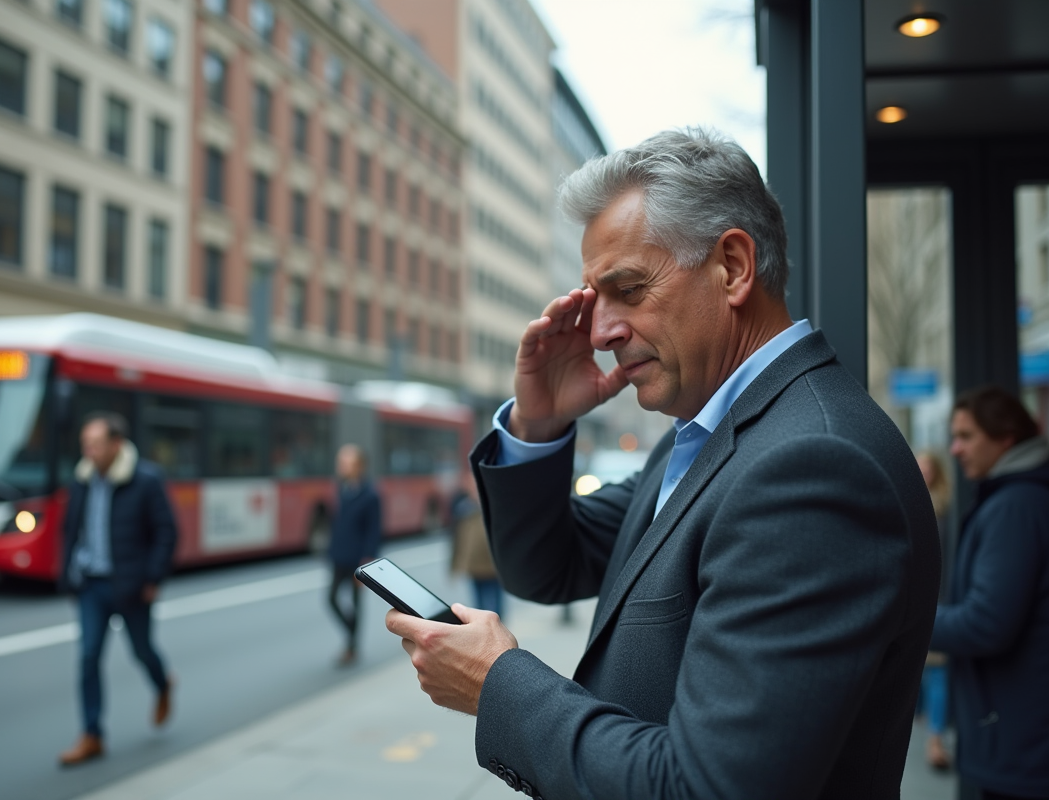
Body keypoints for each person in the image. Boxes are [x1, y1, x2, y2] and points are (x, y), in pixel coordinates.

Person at [382, 128, 941, 799]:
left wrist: (499, 685)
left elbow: (708, 788)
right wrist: (539, 424)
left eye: (628, 289)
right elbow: (547, 564)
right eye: (594, 300)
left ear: (733, 266)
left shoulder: (810, 468)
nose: (600, 332)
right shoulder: (716, 434)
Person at [931, 387, 1049, 800]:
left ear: (1006, 438)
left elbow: (986, 624)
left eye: (967, 436)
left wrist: (904, 616)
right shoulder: (1019, 500)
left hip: (1021, 743)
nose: (955, 449)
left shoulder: (1014, 508)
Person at [58, 412, 178, 767]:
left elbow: (166, 532)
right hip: (92, 585)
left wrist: (153, 578)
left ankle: (163, 684)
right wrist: (68, 575)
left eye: (95, 444)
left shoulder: (146, 480)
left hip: (131, 586)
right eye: (85, 445)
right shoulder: (81, 480)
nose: (89, 451)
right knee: (88, 656)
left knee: (142, 652)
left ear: (116, 445)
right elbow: (70, 530)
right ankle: (92, 734)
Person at [915, 450, 953, 771]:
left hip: (942, 602)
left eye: (928, 467)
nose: (924, 472)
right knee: (925, 671)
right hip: (917, 600)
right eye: (919, 466)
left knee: (938, 672)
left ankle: (935, 739)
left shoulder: (946, 510)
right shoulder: (907, 501)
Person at [326, 444, 381, 667]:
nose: (341, 466)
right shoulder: (341, 489)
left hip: (358, 559)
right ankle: (352, 631)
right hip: (339, 556)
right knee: (331, 598)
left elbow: (374, 530)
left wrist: (368, 558)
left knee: (357, 603)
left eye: (345, 462)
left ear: (358, 466)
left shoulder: (370, 495)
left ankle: (352, 646)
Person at [450, 473, 503, 617]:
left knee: (495, 605)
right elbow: (457, 540)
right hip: (473, 566)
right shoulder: (462, 508)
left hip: (493, 566)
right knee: (478, 605)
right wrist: (454, 565)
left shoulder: (494, 506)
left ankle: (498, 630)